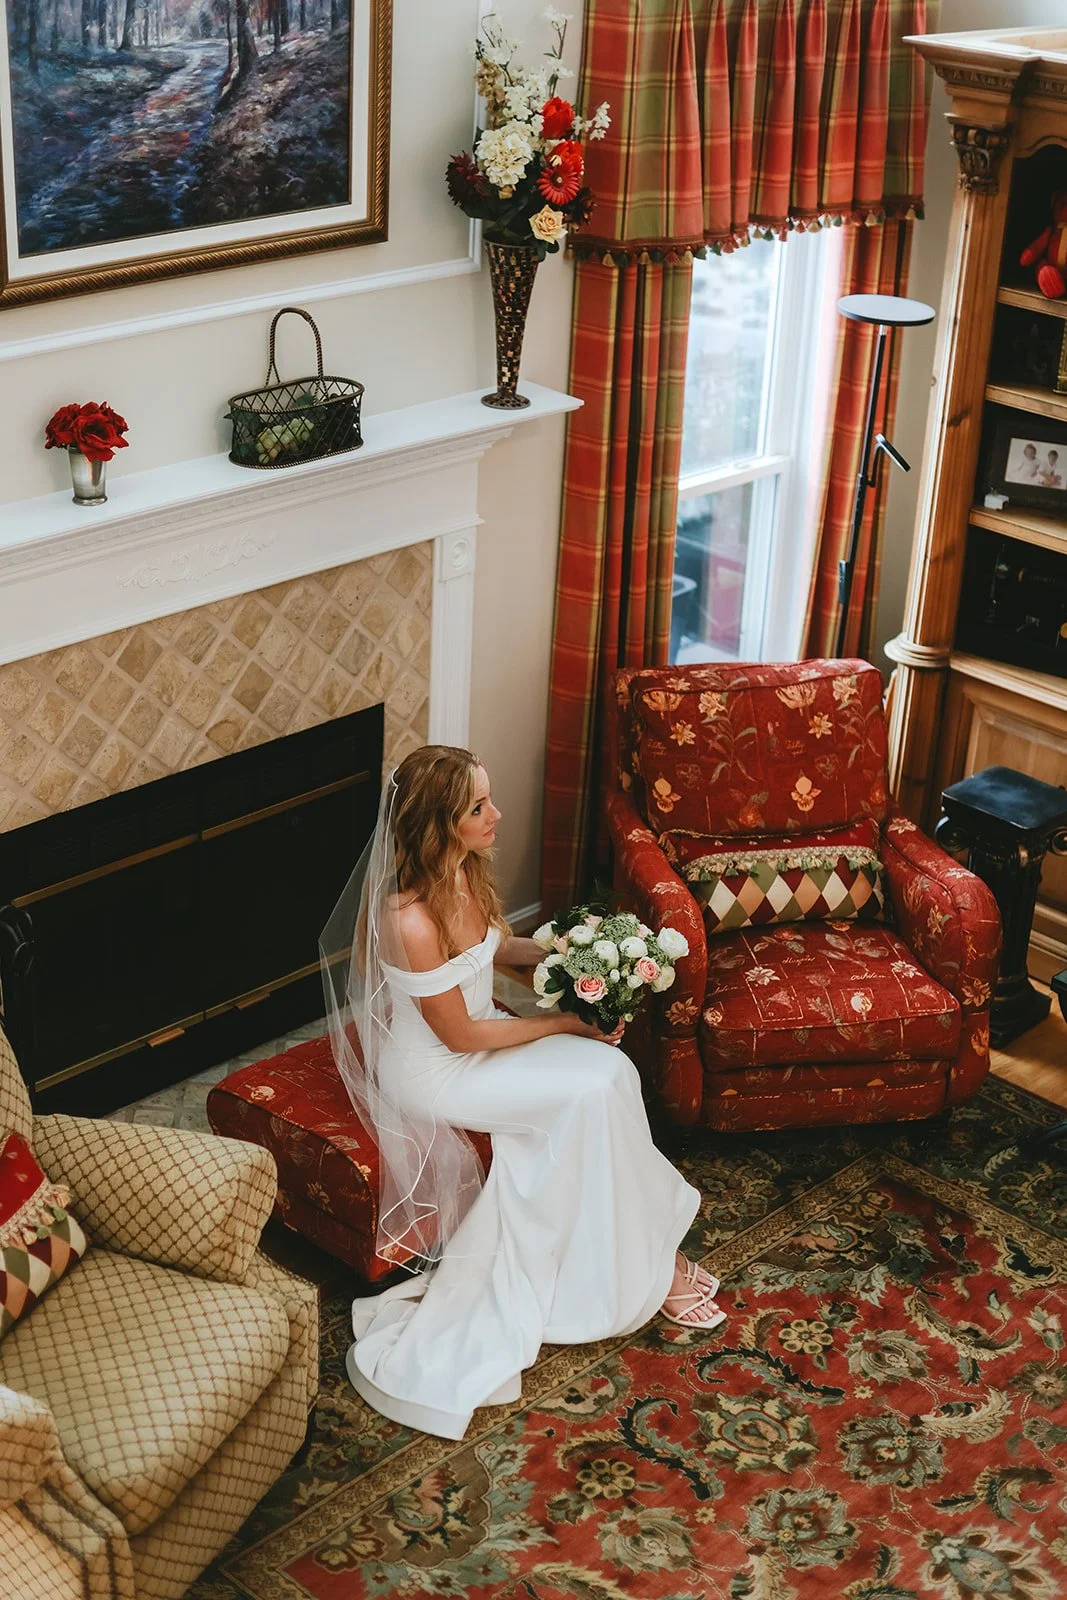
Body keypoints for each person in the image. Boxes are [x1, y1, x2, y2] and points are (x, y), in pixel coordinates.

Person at [320, 745, 723, 1442]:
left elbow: (494, 948)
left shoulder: (462, 871)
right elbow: (459, 1037)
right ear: (439, 825)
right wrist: (566, 1022)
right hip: (438, 1071)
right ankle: (641, 1264)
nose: (496, 814)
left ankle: (638, 1251)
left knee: (611, 1077)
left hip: (479, 1042)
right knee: (594, 1085)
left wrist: (578, 951)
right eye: (478, 807)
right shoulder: (407, 920)